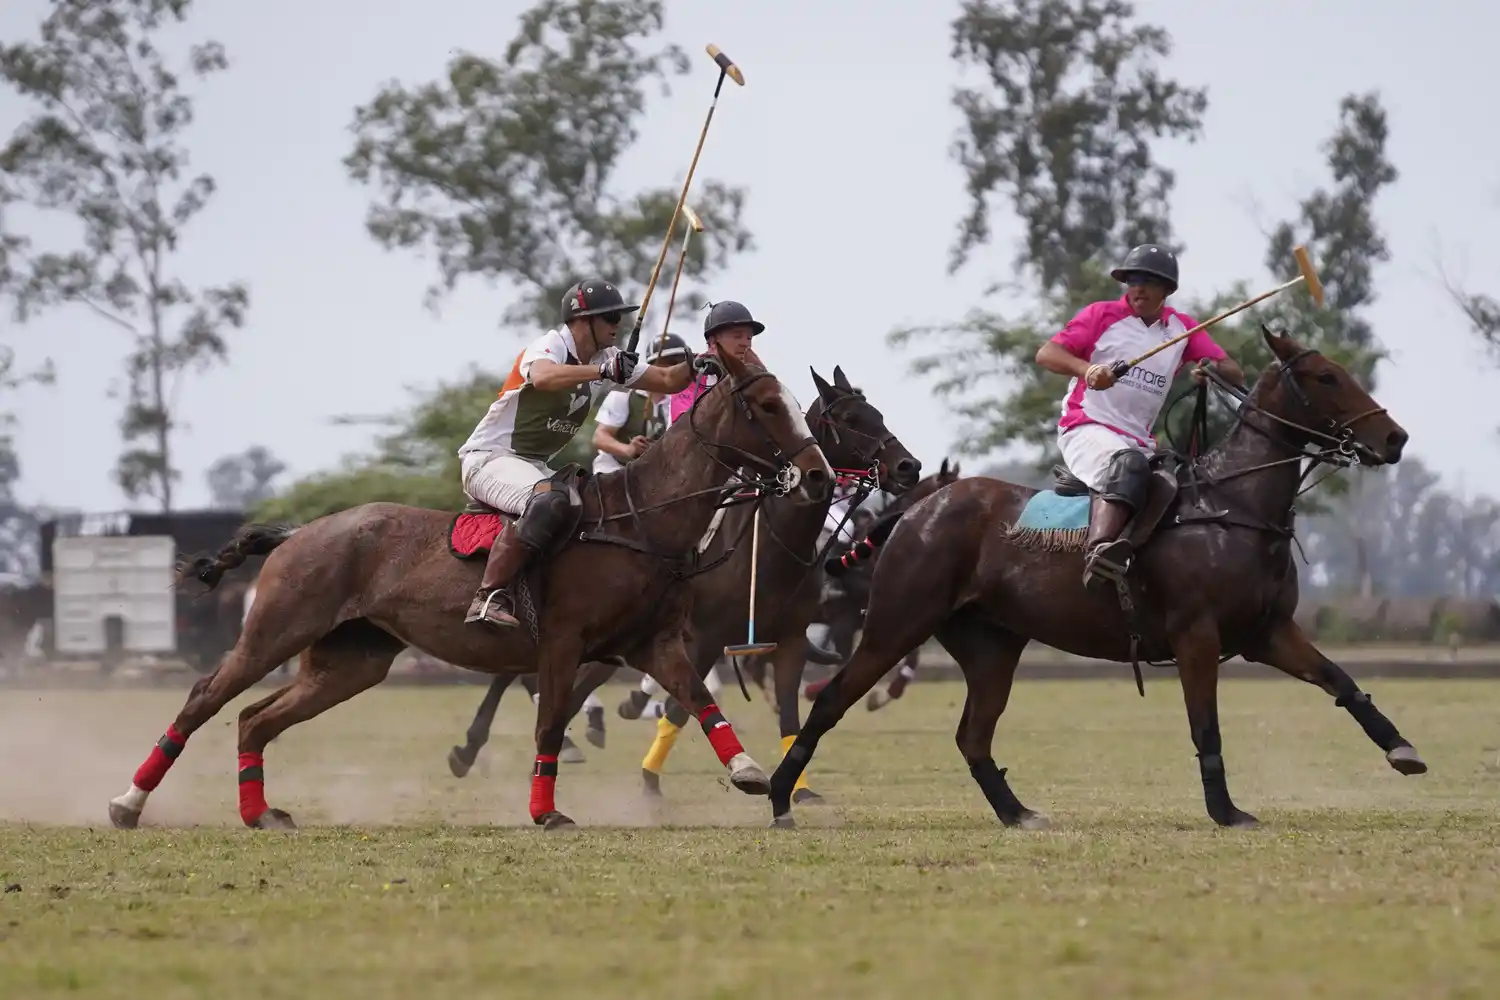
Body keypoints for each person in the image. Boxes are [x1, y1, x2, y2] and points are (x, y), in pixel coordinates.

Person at [457, 277, 695, 629]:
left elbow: (668, 381)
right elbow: (543, 378)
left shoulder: (608, 358)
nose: (618, 325)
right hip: (488, 458)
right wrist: (603, 371)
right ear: (583, 320)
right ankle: (488, 596)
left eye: (620, 318)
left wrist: (703, 361)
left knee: (595, 510)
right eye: (611, 317)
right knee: (549, 501)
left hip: (533, 465)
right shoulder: (550, 346)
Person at [1035, 244, 1245, 588]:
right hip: (1087, 427)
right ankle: (1099, 553)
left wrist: (1209, 367)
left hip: (1138, 440)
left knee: (1182, 484)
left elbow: (1233, 371)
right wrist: (1088, 371)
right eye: (1132, 280)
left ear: (1167, 290)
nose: (1138, 289)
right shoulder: (1101, 315)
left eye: (1148, 281)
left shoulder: (1182, 329)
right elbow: (1047, 353)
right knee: (1129, 464)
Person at [590, 332, 688, 476]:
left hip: (653, 476)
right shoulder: (623, 394)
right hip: (614, 470)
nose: (676, 367)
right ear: (652, 365)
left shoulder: (679, 401)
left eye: (681, 362)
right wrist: (628, 450)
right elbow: (600, 437)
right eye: (670, 361)